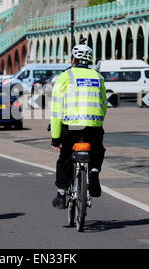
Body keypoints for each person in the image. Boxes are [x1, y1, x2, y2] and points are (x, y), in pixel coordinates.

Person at [50, 44, 108, 209]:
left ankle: (61, 195)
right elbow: (104, 105)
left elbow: (56, 110)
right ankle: (95, 172)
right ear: (90, 60)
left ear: (73, 60)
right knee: (97, 150)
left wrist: (55, 138)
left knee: (64, 159)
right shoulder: (98, 77)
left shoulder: (65, 76)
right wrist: (97, 121)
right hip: (94, 125)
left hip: (72, 126)